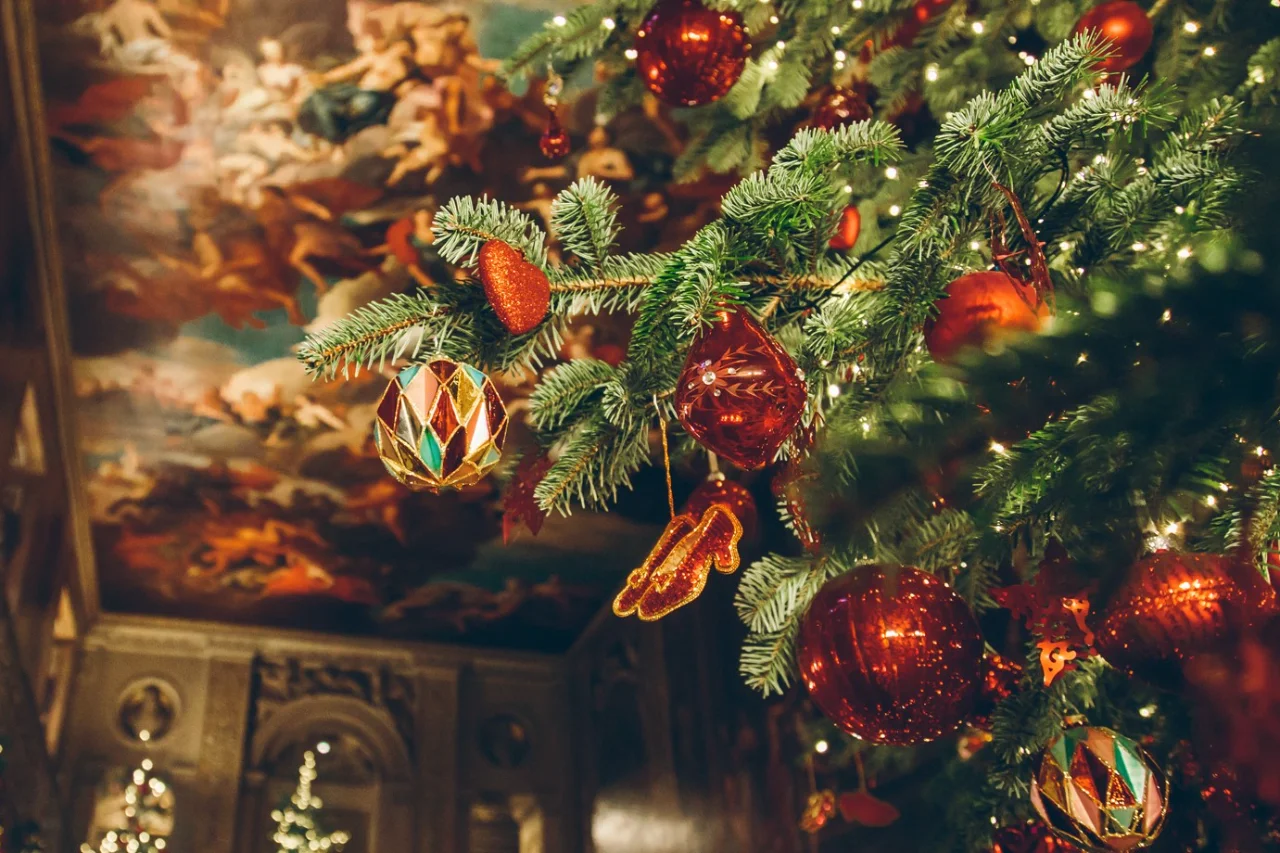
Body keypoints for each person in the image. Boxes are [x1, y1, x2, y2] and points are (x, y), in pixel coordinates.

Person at [298, 29, 411, 142]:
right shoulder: (376, 57)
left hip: (374, 97)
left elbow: (399, 81)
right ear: (394, 45)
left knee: (352, 110)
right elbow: (350, 69)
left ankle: (336, 137)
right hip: (354, 90)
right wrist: (326, 77)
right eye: (398, 46)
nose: (400, 50)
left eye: (405, 49)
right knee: (318, 97)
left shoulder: (403, 68)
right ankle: (326, 133)